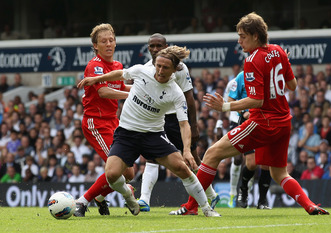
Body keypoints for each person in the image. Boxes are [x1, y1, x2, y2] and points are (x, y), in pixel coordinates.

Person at [170, 12, 329, 216]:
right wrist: (283, 65)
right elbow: (292, 85)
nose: (239, 41)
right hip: (283, 122)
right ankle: (310, 205)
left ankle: (191, 207)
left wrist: (225, 107)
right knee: (280, 173)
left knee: (212, 154)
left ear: (255, 35)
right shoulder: (279, 51)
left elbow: (257, 100)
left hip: (263, 122)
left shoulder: (252, 60)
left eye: (242, 36)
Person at [77, 45, 221, 217]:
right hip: (127, 133)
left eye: (165, 67)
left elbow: (184, 124)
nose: (160, 70)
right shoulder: (142, 71)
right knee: (112, 174)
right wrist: (96, 79)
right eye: (158, 65)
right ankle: (129, 196)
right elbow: (120, 74)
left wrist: (187, 150)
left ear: (174, 70)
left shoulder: (176, 93)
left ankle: (206, 209)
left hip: (153, 135)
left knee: (182, 168)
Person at [136, 33, 219, 213]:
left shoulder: (179, 69)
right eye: (152, 46)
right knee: (151, 157)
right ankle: (144, 199)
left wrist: (194, 125)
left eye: (159, 45)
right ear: (148, 48)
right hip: (157, 118)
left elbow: (190, 99)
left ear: (166, 46)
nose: (156, 49)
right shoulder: (146, 69)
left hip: (177, 120)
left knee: (191, 160)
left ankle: (211, 195)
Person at [74, 23, 134, 217]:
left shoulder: (117, 66)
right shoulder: (95, 66)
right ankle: (82, 202)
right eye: (103, 41)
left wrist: (142, 89)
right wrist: (132, 96)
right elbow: (104, 91)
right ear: (95, 46)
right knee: (117, 169)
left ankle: (100, 198)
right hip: (96, 123)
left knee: (129, 174)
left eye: (111, 40)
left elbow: (122, 86)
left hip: (113, 122)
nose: (109, 44)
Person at [224, 71, 272, 209]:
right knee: (251, 163)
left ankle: (262, 201)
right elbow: (231, 100)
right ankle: (243, 189)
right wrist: (243, 111)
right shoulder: (241, 77)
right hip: (247, 122)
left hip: (266, 123)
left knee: (266, 163)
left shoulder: (268, 76)